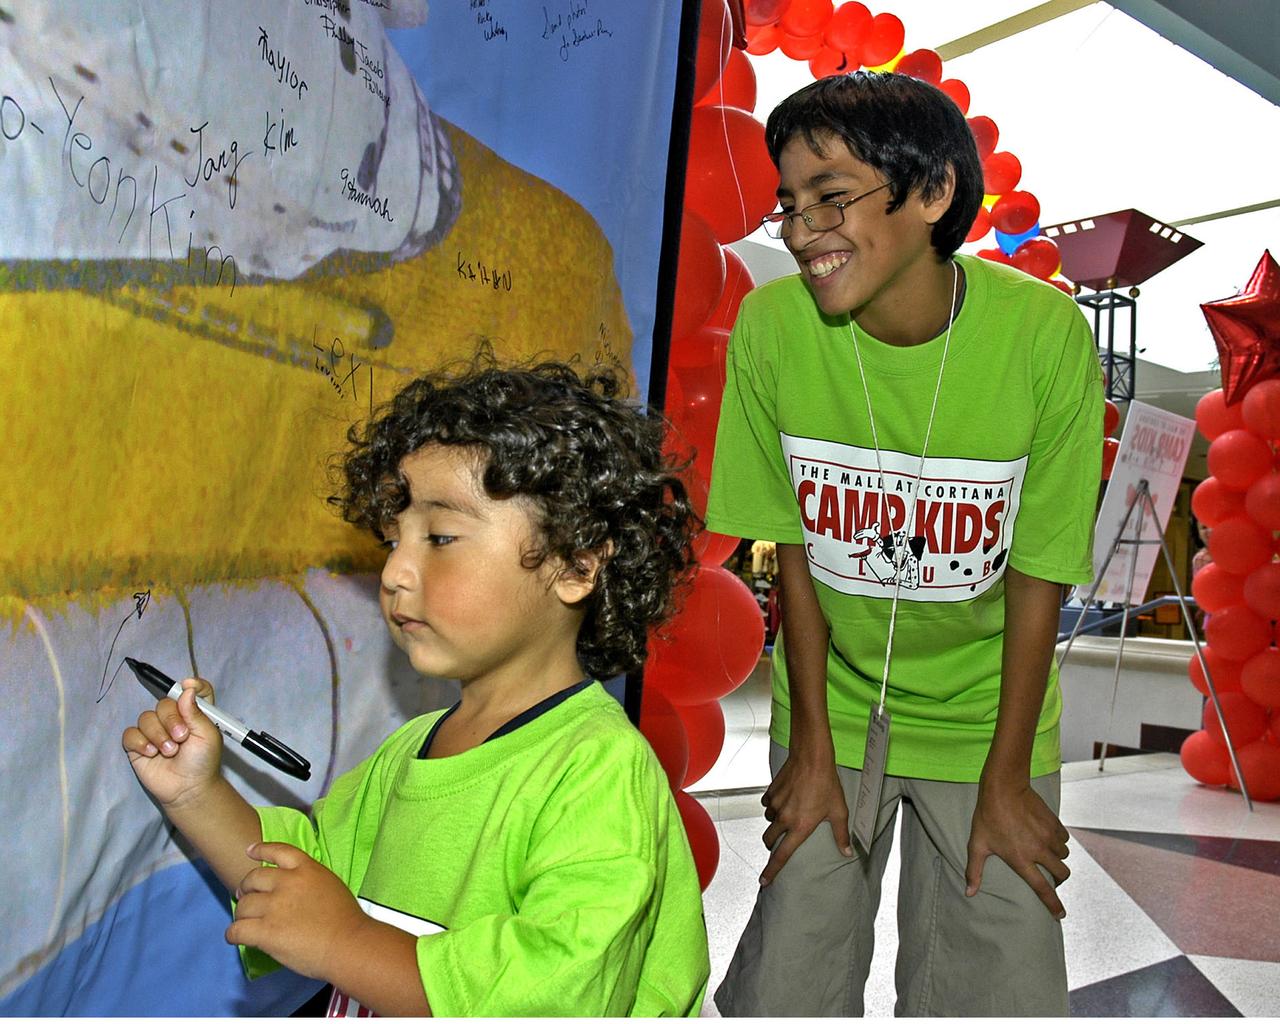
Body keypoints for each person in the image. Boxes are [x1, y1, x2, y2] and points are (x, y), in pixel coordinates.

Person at [121, 359, 711, 1017]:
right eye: (392, 540)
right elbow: (300, 882)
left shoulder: (598, 771)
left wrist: (346, 943)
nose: (396, 571)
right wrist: (197, 793)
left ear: (575, 563)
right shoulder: (413, 751)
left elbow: (555, 993)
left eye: (440, 536)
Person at [706, 72, 1103, 1017]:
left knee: (991, 985)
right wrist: (805, 749)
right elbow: (794, 550)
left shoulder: (1042, 336)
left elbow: (1040, 572)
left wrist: (1008, 777)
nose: (804, 230)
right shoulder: (770, 330)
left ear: (931, 194)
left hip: (987, 717)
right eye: (789, 206)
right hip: (834, 707)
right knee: (792, 980)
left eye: (832, 196)